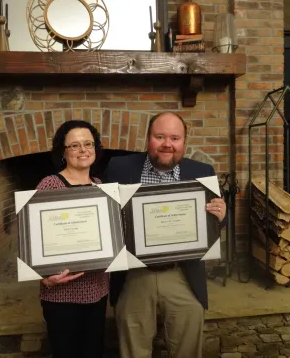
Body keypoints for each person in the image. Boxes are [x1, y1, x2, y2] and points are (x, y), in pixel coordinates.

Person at [103, 111, 227, 358]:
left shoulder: (202, 171)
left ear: (184, 142)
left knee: (187, 349)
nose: (167, 144)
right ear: (148, 138)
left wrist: (222, 216)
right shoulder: (119, 167)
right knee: (133, 349)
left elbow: (212, 224)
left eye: (175, 138)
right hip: (134, 275)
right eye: (160, 136)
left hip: (182, 274)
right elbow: (104, 217)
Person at [36, 120, 108, 358]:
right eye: (75, 145)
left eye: (88, 144)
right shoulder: (50, 185)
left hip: (97, 291)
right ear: (63, 152)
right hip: (61, 295)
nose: (83, 150)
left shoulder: (101, 187)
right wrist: (45, 279)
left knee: (93, 352)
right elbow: (32, 238)